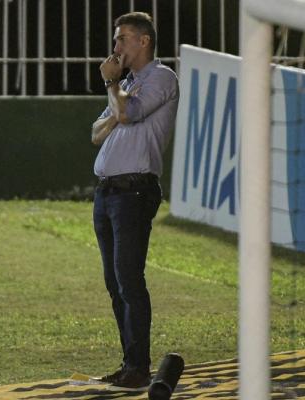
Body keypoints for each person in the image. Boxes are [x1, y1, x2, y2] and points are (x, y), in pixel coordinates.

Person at [91, 12, 179, 391]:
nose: (116, 48)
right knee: (114, 282)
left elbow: (128, 113)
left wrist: (115, 92)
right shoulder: (124, 83)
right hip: (107, 191)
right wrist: (117, 102)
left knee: (129, 279)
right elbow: (96, 132)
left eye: (122, 39)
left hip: (135, 191)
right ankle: (130, 364)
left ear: (144, 41)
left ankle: (139, 368)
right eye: (116, 40)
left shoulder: (162, 77)